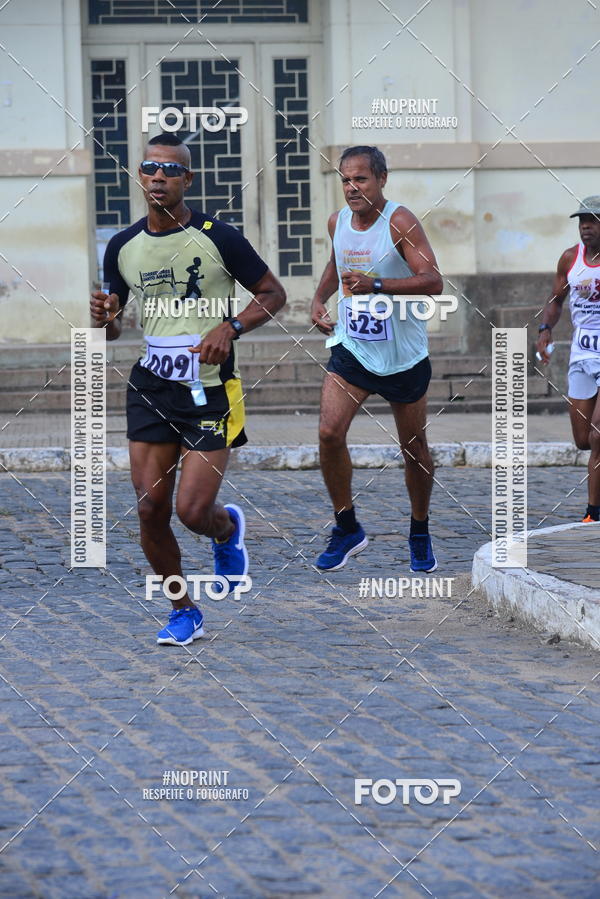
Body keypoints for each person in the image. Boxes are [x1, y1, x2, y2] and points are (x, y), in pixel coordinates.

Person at [90, 133, 286, 645]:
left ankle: (226, 531)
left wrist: (232, 327)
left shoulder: (219, 238)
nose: (158, 176)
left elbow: (272, 293)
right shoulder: (122, 247)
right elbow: (111, 327)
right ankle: (184, 609)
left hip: (210, 391)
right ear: (139, 175)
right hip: (151, 386)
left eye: (170, 170)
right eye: (150, 167)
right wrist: (106, 320)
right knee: (150, 508)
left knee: (191, 511)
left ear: (187, 180)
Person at [310, 145, 443, 573]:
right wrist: (318, 298)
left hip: (403, 356)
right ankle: (346, 527)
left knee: (413, 447)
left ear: (381, 179)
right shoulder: (338, 221)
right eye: (345, 180)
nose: (351, 188)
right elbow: (338, 261)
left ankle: (419, 529)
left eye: (360, 179)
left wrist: (379, 285)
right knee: (329, 433)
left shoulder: (399, 222)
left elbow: (433, 282)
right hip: (354, 348)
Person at [537, 195, 600, 522]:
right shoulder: (569, 258)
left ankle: (593, 513)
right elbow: (556, 300)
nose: (585, 226)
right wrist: (546, 328)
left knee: (598, 434)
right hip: (582, 355)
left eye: (592, 220)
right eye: (581, 220)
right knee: (582, 440)